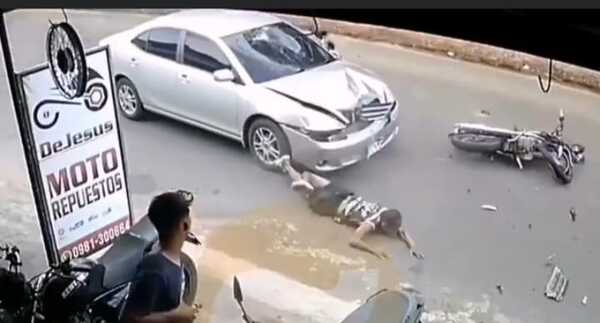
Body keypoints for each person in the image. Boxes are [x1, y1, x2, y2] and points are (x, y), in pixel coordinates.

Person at [274, 156, 424, 260]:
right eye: (390, 230)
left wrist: (412, 246)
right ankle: (295, 176)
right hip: (332, 205)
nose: (392, 232)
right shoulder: (370, 223)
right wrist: (374, 251)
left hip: (344, 193)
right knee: (308, 194)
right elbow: (353, 240)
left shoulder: (386, 211)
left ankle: (292, 169)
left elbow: (401, 230)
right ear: (383, 224)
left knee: (309, 176)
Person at [123, 190, 200, 323]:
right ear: (185, 225)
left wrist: (185, 311)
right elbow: (132, 318)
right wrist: (177, 317)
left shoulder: (173, 261)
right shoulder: (155, 271)